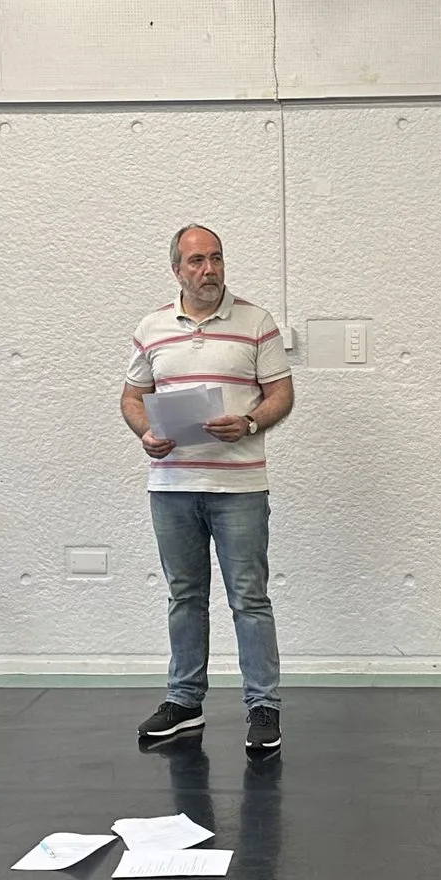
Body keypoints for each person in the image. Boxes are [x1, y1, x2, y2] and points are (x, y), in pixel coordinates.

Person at [120, 224, 294, 756]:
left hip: (239, 486)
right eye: (196, 261)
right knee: (185, 597)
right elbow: (131, 397)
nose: (209, 269)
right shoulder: (151, 327)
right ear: (177, 269)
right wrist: (145, 433)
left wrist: (248, 423)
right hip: (172, 485)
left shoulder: (256, 322)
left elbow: (281, 394)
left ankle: (263, 706)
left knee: (249, 598)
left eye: (216, 258)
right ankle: (184, 701)